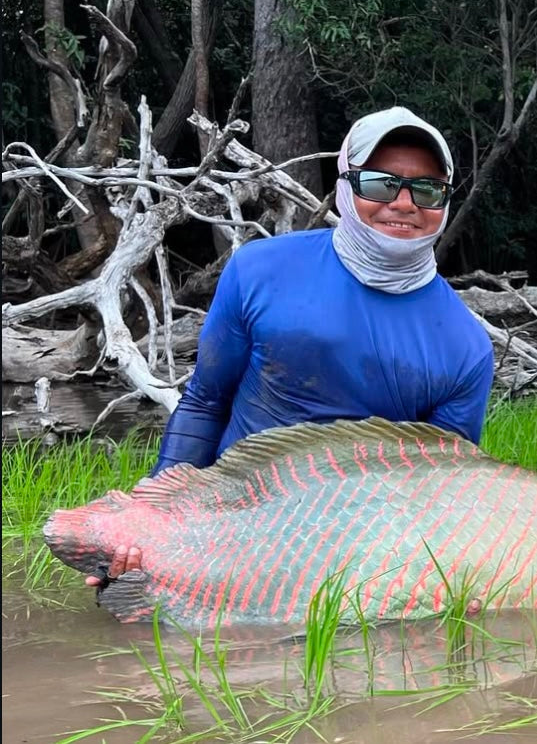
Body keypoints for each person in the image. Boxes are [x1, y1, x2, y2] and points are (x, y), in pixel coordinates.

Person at [87, 106, 495, 586]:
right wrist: (154, 515)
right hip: (226, 525)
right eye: (380, 183)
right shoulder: (259, 271)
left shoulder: (467, 348)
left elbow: (441, 492)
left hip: (363, 556)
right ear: (345, 184)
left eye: (426, 190)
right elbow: (205, 403)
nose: (404, 203)